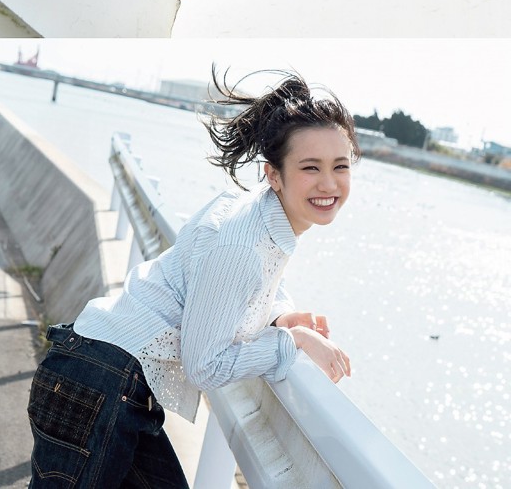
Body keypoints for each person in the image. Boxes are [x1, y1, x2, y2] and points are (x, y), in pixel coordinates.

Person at [25, 69, 359, 488]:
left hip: (104, 378)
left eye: (340, 166)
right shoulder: (243, 244)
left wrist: (279, 316)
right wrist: (289, 343)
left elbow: (230, 285)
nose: (329, 183)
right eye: (311, 167)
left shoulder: (254, 217)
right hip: (100, 385)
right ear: (273, 174)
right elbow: (206, 365)